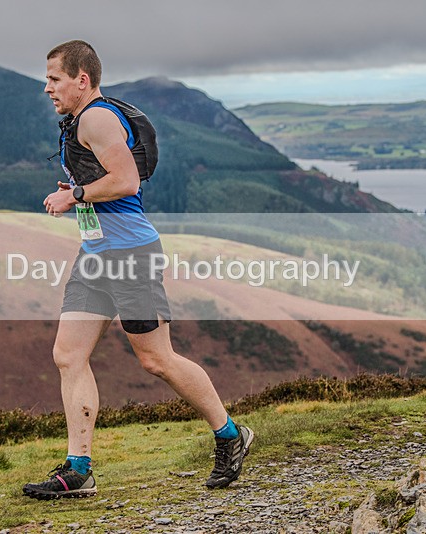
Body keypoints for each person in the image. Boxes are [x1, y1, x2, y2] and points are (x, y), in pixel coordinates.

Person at [22, 40, 253, 500]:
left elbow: (126, 180)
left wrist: (76, 196)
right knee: (69, 355)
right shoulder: (79, 121)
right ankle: (78, 468)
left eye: (54, 79)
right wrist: (80, 190)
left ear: (81, 79)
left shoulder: (97, 117)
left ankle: (230, 435)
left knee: (156, 359)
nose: (47, 88)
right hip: (97, 256)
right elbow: (112, 180)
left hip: (130, 255)